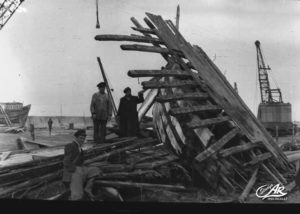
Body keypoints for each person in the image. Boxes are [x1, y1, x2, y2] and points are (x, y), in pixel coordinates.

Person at [62, 129, 100, 200]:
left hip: (81, 168)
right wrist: (75, 170)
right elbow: (66, 161)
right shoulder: (69, 146)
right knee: (78, 195)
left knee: (95, 170)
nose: (82, 140)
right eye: (80, 138)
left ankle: (88, 189)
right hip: (73, 171)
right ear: (76, 138)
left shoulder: (80, 149)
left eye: (83, 138)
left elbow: (81, 161)